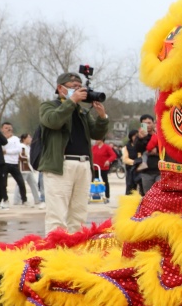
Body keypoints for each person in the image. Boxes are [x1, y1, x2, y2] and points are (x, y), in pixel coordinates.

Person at [38, 71, 109, 233]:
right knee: (57, 214)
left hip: (83, 165)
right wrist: (71, 101)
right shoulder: (49, 106)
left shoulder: (81, 111)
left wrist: (102, 117)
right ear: (60, 88)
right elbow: (53, 121)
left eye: (80, 87)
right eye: (73, 87)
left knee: (79, 214)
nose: (78, 90)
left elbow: (96, 134)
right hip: (60, 165)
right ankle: (56, 245)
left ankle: (76, 245)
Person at [0, 122, 28, 206]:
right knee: (3, 183)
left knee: (21, 182)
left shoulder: (15, 139)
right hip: (4, 163)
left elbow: (18, 150)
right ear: (2, 129)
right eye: (6, 128)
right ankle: (5, 200)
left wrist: (7, 151)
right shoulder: (1, 139)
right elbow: (0, 150)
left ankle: (24, 200)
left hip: (14, 163)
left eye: (10, 127)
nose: (8, 129)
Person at [91, 138, 118, 203]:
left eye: (97, 139)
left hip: (103, 168)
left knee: (105, 181)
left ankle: (107, 196)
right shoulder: (94, 147)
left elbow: (113, 155)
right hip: (95, 167)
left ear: (101, 140)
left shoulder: (107, 147)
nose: (96, 141)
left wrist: (108, 161)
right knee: (94, 182)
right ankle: (95, 195)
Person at [19, 133, 42, 205]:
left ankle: (37, 199)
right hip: (24, 168)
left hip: (29, 168)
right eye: (28, 137)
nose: (30, 139)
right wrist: (31, 158)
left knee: (33, 184)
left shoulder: (28, 147)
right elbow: (22, 156)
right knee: (20, 184)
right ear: (24, 139)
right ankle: (17, 200)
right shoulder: (21, 146)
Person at [121, 128, 142, 195]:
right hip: (130, 169)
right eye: (134, 136)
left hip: (140, 168)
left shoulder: (141, 145)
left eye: (137, 135)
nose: (136, 137)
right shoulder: (126, 147)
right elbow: (125, 159)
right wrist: (135, 162)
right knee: (130, 186)